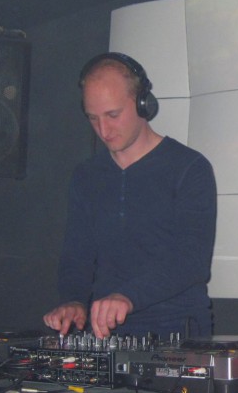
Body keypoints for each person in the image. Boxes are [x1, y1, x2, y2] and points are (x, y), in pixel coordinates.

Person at [43, 52, 217, 341]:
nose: (103, 130)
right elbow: (77, 255)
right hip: (105, 332)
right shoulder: (87, 176)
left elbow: (191, 260)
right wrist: (73, 301)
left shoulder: (189, 168)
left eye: (113, 115)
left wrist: (128, 297)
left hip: (176, 328)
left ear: (143, 103)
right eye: (93, 118)